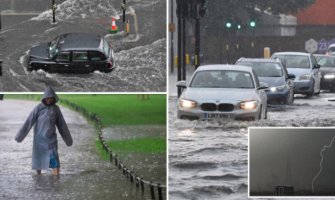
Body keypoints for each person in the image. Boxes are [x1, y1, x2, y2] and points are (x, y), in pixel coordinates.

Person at [15, 87, 73, 175]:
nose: (49, 100)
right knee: (39, 161)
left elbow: (62, 125)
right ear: (44, 98)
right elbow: (29, 122)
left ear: (54, 98)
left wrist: (68, 140)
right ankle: (39, 179)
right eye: (47, 98)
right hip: (39, 140)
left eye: (51, 98)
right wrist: (19, 137)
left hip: (51, 140)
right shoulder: (38, 108)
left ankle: (56, 181)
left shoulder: (56, 109)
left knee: (54, 160)